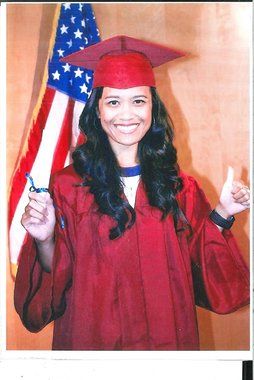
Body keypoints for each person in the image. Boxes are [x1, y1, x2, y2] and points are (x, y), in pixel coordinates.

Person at [14, 35, 250, 351]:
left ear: (153, 107)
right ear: (96, 110)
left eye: (139, 100)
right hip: (94, 353)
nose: (127, 114)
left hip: (166, 351)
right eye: (113, 101)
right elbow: (55, 284)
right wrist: (45, 239)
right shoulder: (69, 187)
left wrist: (222, 212)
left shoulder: (178, 186)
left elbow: (204, 277)